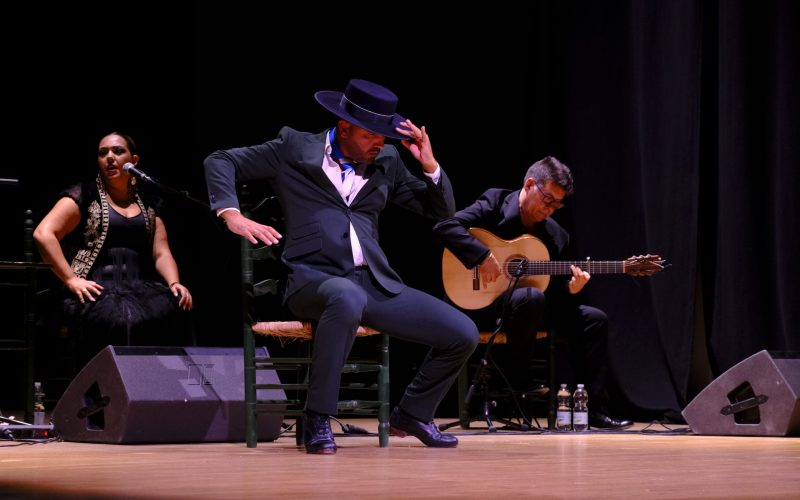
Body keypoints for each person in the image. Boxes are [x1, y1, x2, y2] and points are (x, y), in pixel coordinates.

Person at [203, 78, 479, 454]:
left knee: (463, 332)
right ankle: (316, 417)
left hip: (374, 284)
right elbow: (221, 160)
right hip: (311, 280)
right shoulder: (294, 147)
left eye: (385, 135)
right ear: (344, 126)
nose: (380, 143)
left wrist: (429, 165)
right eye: (371, 135)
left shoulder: (386, 160)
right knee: (345, 296)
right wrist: (230, 213)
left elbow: (440, 212)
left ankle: (412, 413)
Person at [433, 156, 633, 429]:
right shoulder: (495, 203)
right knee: (530, 298)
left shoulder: (556, 236)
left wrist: (571, 289)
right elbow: (446, 227)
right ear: (529, 184)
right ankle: (516, 381)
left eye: (557, 204)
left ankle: (594, 409)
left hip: (531, 309)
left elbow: (553, 294)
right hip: (481, 305)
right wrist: (481, 256)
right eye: (547, 200)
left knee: (594, 319)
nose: (550, 209)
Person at [34, 132, 193, 367]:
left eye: (118, 151)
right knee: (121, 318)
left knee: (176, 305)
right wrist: (71, 279)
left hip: (138, 289)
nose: (109, 157)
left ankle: (169, 391)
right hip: (92, 288)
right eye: (103, 153)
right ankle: (108, 394)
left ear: (134, 161)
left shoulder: (149, 203)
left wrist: (174, 283)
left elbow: (161, 252)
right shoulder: (84, 194)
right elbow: (43, 234)